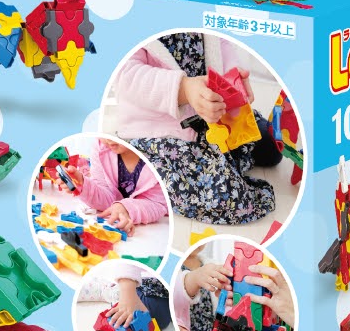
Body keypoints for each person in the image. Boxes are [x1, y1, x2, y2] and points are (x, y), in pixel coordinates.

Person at [112, 31, 283, 224]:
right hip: (161, 135)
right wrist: (184, 88)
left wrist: (232, 80)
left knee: (271, 148)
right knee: (227, 198)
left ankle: (227, 157)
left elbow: (221, 43)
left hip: (212, 120)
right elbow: (127, 76)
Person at [64, 139, 168, 234]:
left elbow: (158, 204)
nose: (108, 139)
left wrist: (126, 208)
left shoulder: (161, 157)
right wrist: (83, 184)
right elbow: (106, 196)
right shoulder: (100, 147)